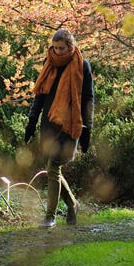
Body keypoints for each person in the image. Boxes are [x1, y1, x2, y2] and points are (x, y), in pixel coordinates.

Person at [22, 28, 94, 228]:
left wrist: (88, 128)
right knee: (52, 170)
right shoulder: (49, 63)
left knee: (54, 166)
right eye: (54, 48)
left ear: (71, 47)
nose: (58, 52)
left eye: (61, 48)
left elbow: (88, 98)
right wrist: (31, 121)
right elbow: (40, 94)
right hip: (48, 123)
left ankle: (50, 216)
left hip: (70, 125)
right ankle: (72, 205)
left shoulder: (82, 66)